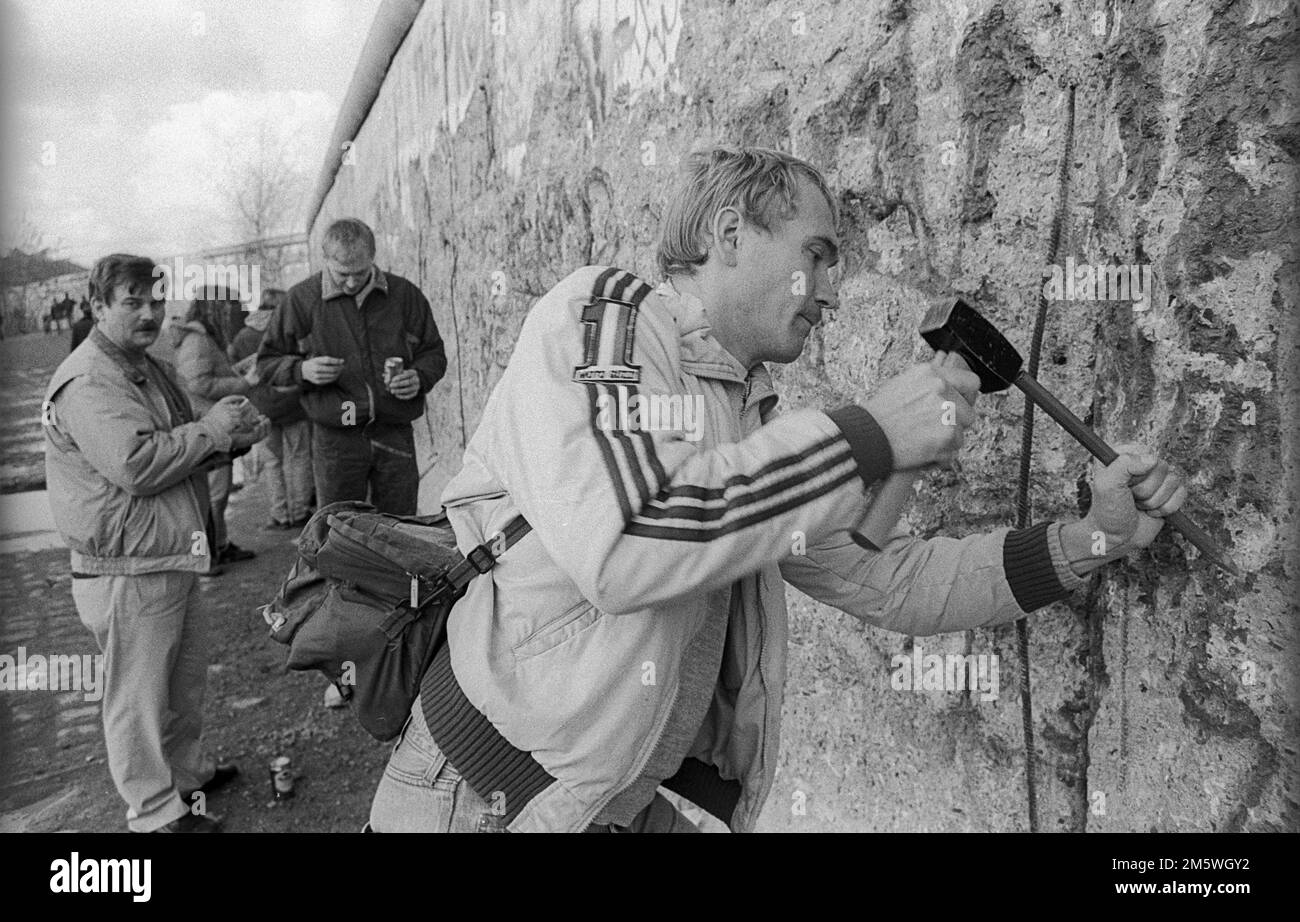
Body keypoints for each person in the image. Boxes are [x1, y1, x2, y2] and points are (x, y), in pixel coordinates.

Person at [366, 146, 1189, 833]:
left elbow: (887, 579)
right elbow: (626, 544)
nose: (832, 291)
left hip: (608, 807)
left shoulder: (746, 416)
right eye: (817, 255)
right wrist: (869, 435)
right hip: (479, 797)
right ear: (730, 234)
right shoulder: (603, 314)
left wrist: (1092, 541)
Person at [42, 253, 268, 832]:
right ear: (97, 307)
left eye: (155, 301)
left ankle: (187, 778)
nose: (149, 313)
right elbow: (138, 464)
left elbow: (176, 441)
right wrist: (212, 430)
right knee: (138, 701)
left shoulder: (141, 364)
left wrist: (230, 439)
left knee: (180, 684)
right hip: (124, 568)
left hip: (161, 553)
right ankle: (155, 812)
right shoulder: (90, 379)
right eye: (132, 302)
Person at [257, 218, 447, 515]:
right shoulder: (301, 300)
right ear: (326, 260)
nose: (350, 282)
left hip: (394, 432)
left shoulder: (404, 295)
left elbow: (433, 351)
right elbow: (266, 364)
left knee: (400, 528)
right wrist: (301, 371)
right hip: (336, 441)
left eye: (360, 273)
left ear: (373, 258)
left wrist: (419, 376)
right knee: (338, 530)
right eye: (342, 273)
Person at [171, 291, 260, 570]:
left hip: (214, 424)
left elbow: (208, 374)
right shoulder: (197, 340)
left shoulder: (203, 337)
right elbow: (197, 383)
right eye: (230, 308)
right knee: (211, 496)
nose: (234, 314)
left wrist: (238, 371)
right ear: (215, 308)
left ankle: (219, 545)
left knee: (217, 494)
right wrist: (244, 383)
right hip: (209, 425)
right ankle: (205, 557)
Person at [229, 288, 314, 528]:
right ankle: (299, 511)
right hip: (293, 402)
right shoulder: (291, 329)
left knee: (272, 462)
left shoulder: (243, 336)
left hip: (262, 405)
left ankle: (279, 514)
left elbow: (235, 370)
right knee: (299, 457)